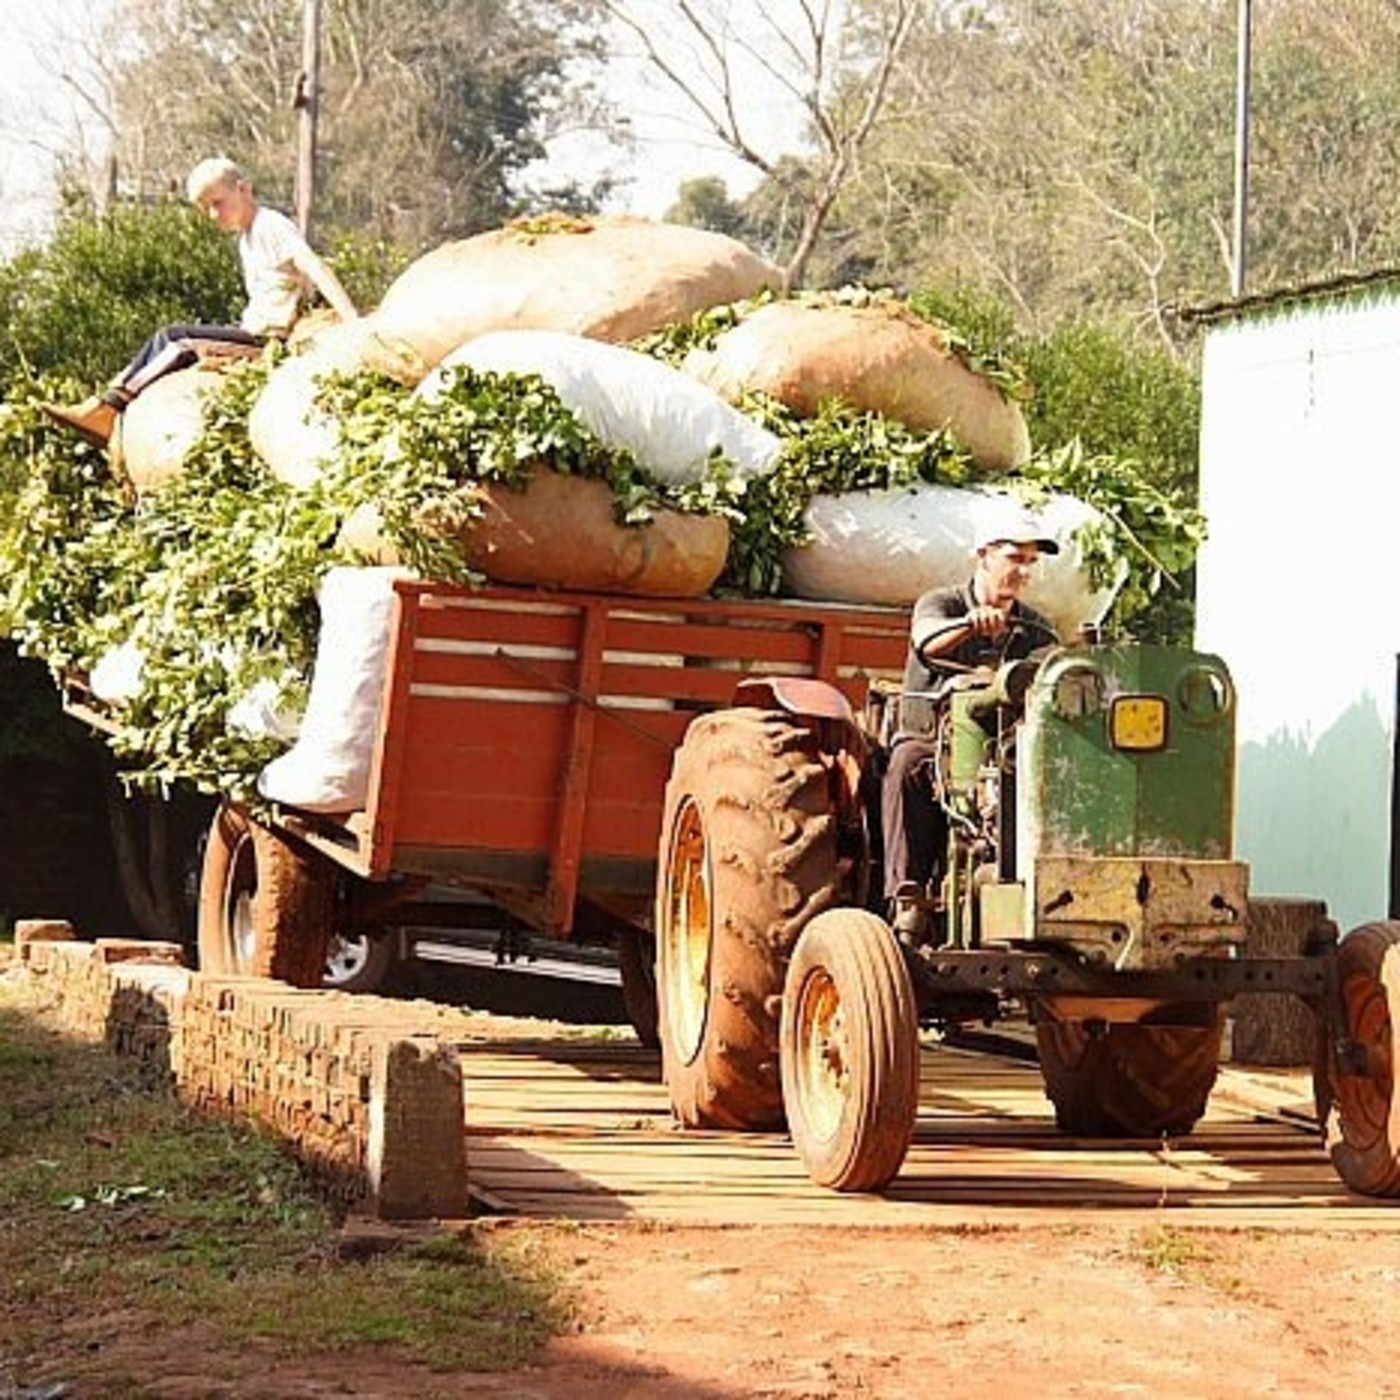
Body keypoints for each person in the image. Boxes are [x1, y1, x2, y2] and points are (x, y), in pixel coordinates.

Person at [44, 156, 359, 447]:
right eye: (206, 208)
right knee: (163, 342)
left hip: (268, 340)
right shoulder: (247, 237)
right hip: (251, 329)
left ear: (244, 189)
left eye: (218, 203)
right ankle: (98, 402)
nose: (213, 215)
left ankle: (109, 409)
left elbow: (313, 265)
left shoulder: (270, 225)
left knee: (176, 340)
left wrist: (354, 322)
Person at [881, 510, 1060, 938]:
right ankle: (908, 898)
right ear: (984, 556)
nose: (1022, 571)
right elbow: (925, 640)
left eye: (1030, 563)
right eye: (1014, 558)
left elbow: (1056, 668)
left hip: (1006, 747)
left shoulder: (1035, 627)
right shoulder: (942, 603)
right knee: (906, 766)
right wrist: (967, 624)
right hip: (933, 738)